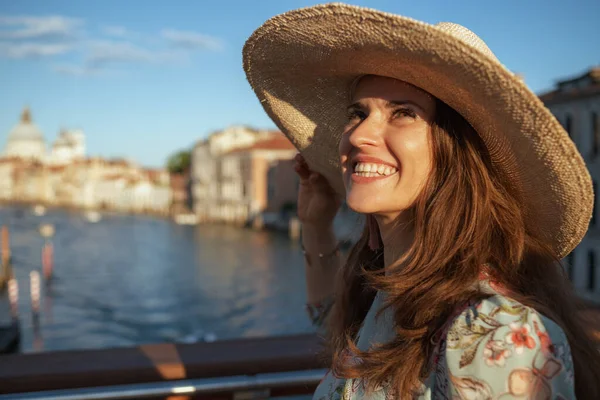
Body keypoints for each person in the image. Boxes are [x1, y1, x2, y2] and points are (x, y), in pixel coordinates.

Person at [243, 3, 600, 399]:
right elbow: (332, 319)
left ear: (458, 152)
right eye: (357, 113)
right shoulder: (393, 290)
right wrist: (315, 225)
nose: (359, 135)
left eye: (403, 113)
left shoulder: (496, 334)